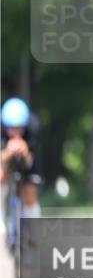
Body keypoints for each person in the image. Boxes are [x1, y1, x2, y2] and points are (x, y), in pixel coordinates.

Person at [0, 98, 42, 230]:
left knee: (29, 191)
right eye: (12, 129)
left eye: (19, 128)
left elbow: (32, 157)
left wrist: (24, 150)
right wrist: (8, 151)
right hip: (5, 157)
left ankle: (35, 228)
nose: (16, 132)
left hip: (27, 159)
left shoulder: (33, 126)